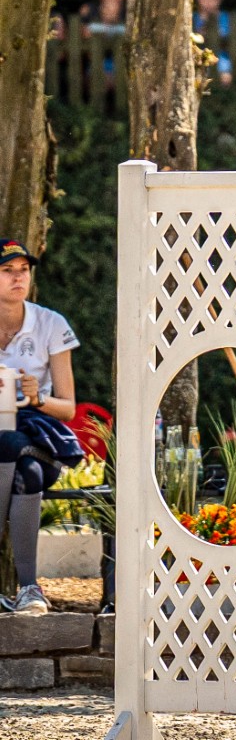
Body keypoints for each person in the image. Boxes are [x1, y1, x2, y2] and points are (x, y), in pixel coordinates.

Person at [0, 239, 84, 617]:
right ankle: (30, 589)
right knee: (26, 472)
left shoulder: (50, 323)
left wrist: (37, 399)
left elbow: (67, 408)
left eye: (24, 270)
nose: (19, 278)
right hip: (19, 457)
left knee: (13, 443)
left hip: (37, 434)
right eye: (7, 271)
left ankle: (28, 589)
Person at [193, 0, 233, 83]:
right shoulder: (193, 19)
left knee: (225, 76)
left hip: (223, 64)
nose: (208, 1)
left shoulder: (225, 18)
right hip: (200, 63)